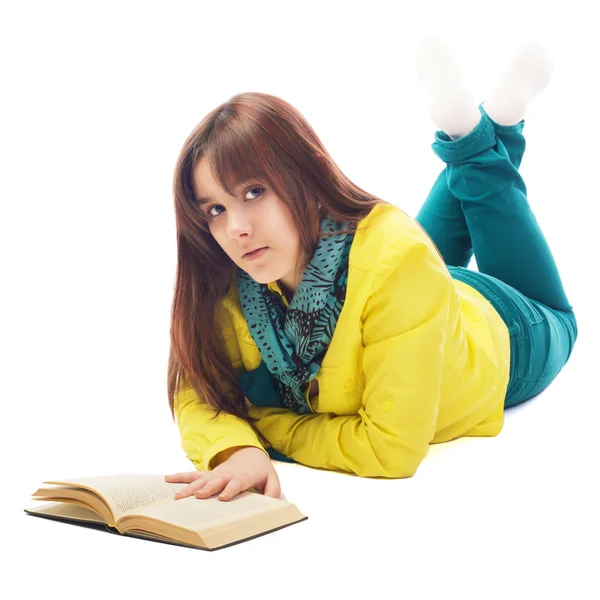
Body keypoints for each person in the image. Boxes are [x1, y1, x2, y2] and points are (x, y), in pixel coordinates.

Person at [164, 38, 578, 503]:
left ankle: (489, 130)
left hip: (506, 330)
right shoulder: (235, 279)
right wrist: (234, 448)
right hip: (411, 302)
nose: (236, 228)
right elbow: (197, 388)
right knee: (409, 260)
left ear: (308, 177)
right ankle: (473, 133)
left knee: (561, 317)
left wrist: (266, 429)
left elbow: (390, 449)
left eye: (254, 192)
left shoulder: (397, 261)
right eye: (215, 209)